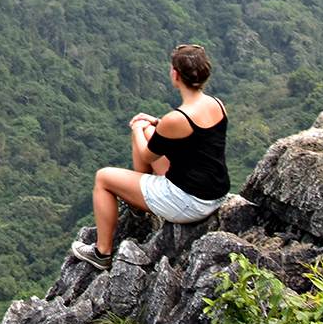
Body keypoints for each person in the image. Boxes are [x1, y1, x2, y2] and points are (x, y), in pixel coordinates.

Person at [70, 43, 229, 270]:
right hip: (215, 192)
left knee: (103, 178)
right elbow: (193, 137)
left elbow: (147, 153)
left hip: (190, 203)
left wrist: (136, 127)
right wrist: (154, 124)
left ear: (175, 74)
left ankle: (101, 252)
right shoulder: (217, 104)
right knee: (149, 131)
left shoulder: (176, 119)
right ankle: (138, 204)